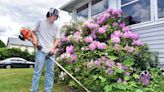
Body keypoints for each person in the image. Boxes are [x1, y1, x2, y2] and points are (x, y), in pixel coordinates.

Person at [30, 8, 60, 92]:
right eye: (54, 16)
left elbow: (57, 39)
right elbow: (32, 32)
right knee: (37, 72)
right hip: (41, 51)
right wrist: (35, 38)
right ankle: (34, 90)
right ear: (49, 14)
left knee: (50, 73)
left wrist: (53, 49)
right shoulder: (40, 22)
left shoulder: (56, 27)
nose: (55, 18)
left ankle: (48, 90)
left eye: (57, 17)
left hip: (51, 52)